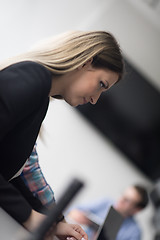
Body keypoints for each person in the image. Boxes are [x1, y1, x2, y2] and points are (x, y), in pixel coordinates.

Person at [0, 30, 124, 240]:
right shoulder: (33, 78)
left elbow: (21, 171)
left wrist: (53, 223)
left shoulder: (40, 95)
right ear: (85, 62)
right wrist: (30, 217)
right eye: (101, 84)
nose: (95, 99)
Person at [67, 185, 149, 240]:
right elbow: (71, 210)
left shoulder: (134, 232)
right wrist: (76, 214)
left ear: (137, 209)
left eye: (127, 200)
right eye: (123, 195)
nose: (120, 200)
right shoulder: (106, 203)